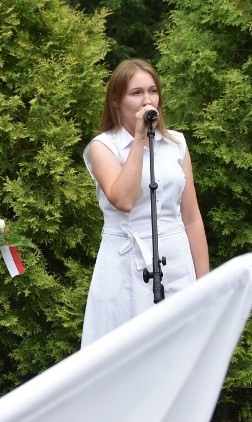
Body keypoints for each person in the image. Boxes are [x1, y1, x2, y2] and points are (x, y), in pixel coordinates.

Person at [82, 59, 210, 347]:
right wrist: (140, 138)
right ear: (116, 100)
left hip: (176, 263)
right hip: (125, 266)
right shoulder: (102, 147)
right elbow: (124, 199)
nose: (147, 100)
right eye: (136, 93)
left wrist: (205, 284)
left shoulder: (176, 143)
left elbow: (191, 217)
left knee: (180, 354)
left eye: (152, 91)